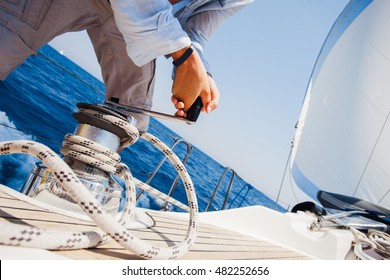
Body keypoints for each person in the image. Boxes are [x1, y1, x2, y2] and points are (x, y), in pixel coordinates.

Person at [0, 0, 253, 130]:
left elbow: (195, 32)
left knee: (131, 117)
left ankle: (82, 191)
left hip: (137, 18)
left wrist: (201, 73)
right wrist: (186, 59)